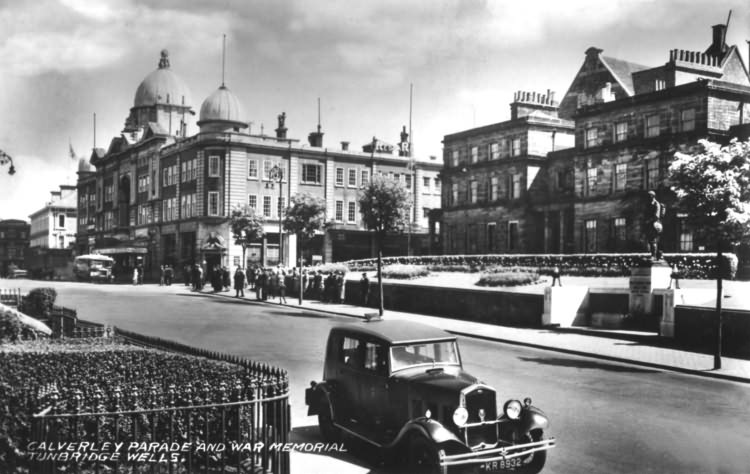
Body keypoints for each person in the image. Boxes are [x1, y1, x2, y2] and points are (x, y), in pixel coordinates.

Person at [645, 190, 665, 260]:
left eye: (648, 196)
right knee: (651, 240)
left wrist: (648, 221)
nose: (647, 198)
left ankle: (654, 256)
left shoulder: (656, 204)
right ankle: (656, 255)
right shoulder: (648, 204)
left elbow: (656, 216)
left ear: (652, 196)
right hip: (650, 224)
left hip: (655, 224)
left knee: (653, 240)